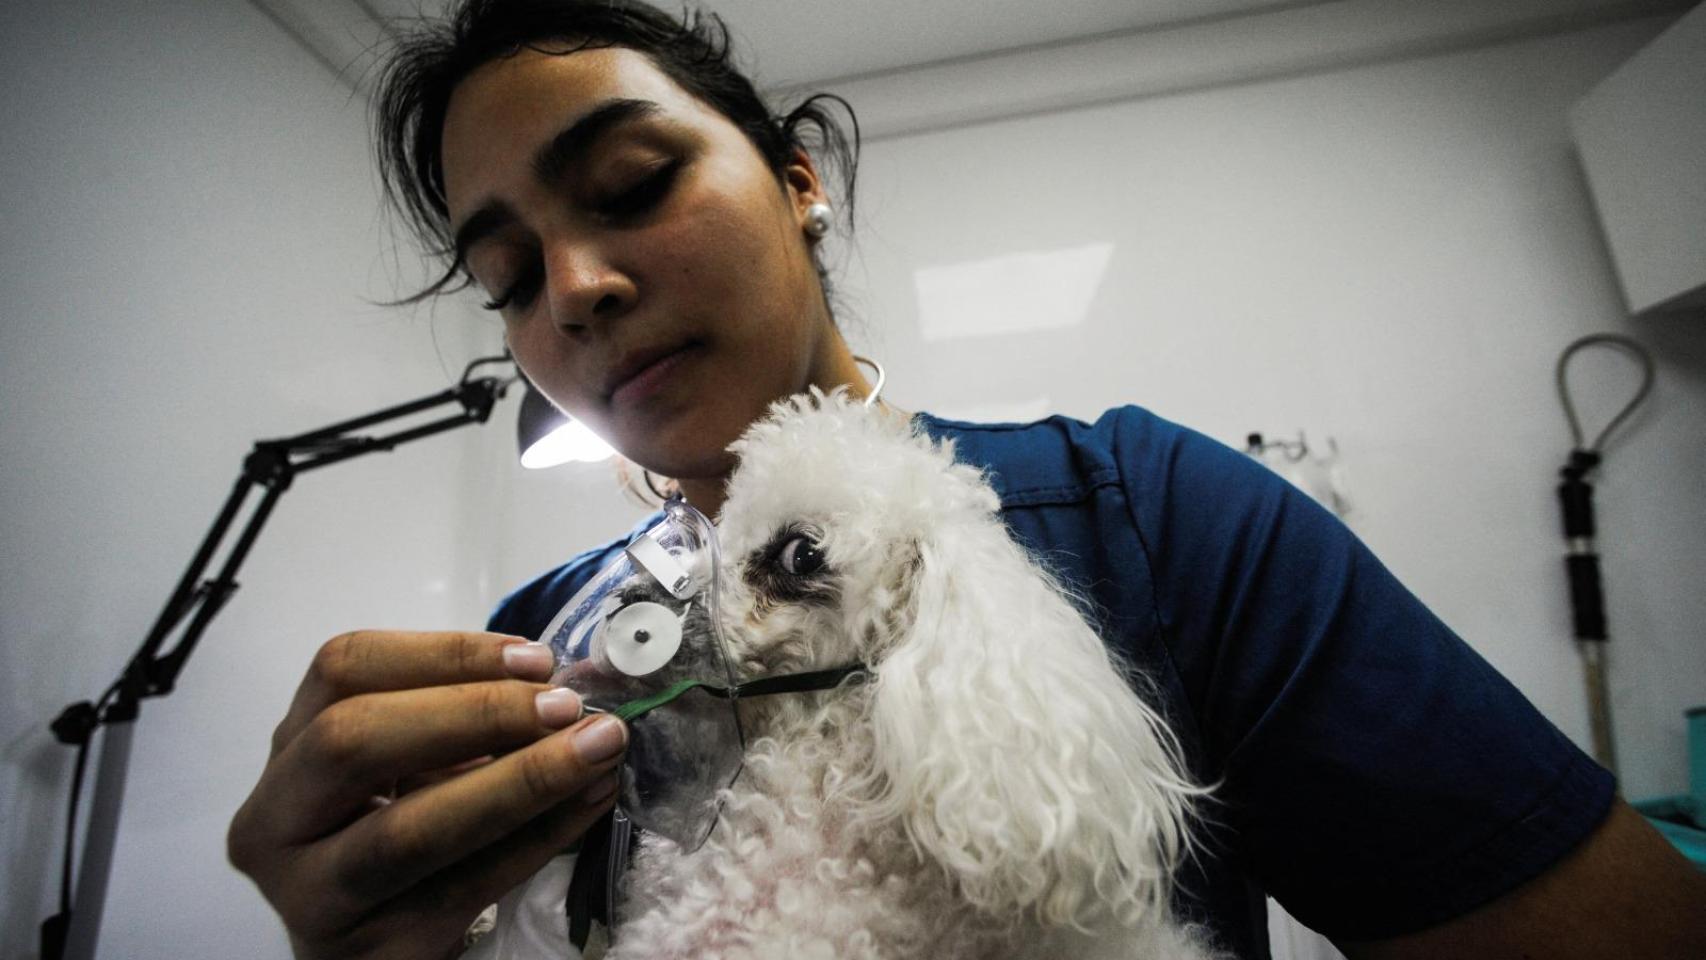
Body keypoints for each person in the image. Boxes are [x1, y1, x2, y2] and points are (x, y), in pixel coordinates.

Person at [226, 1, 1706, 957]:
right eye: (505, 275)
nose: (577, 288)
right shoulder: (535, 636)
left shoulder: (1153, 513)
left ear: (799, 180)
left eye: (628, 189)